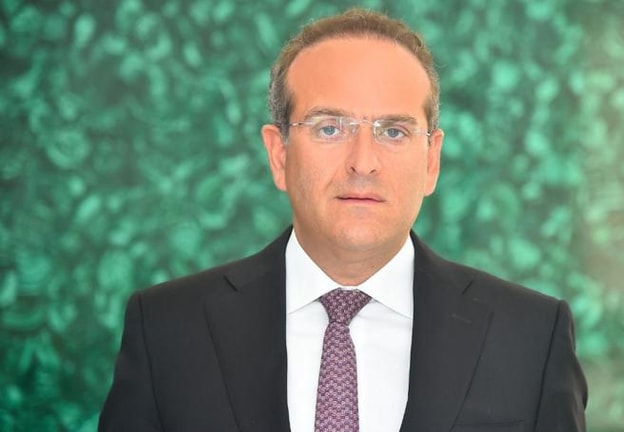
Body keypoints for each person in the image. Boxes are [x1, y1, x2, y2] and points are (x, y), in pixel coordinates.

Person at [99, 7, 587, 432]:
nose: (363, 162)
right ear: (278, 154)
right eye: (330, 128)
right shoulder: (167, 330)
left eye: (393, 131)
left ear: (432, 161)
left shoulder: (530, 337)